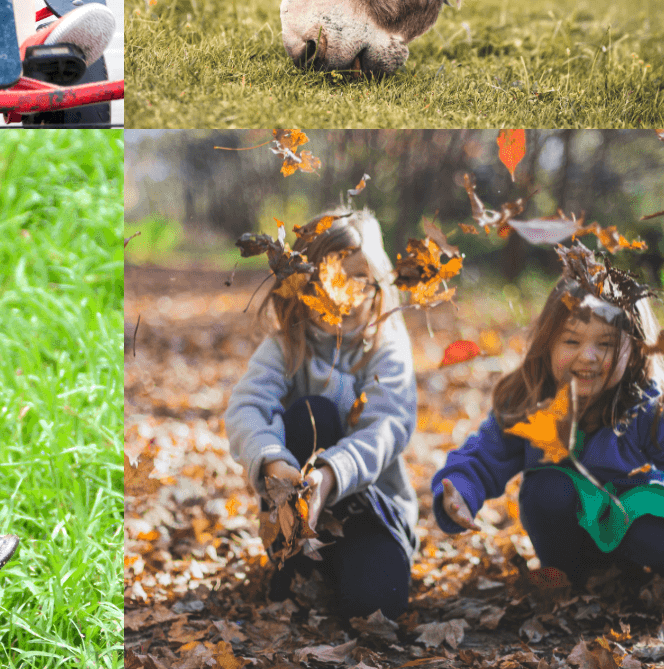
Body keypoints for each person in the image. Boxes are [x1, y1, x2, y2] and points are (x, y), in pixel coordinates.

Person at [433, 244, 664, 588]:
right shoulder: (531, 401)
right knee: (547, 487)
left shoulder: (648, 411)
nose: (587, 356)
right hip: (567, 542)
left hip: (633, 532)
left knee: (648, 522)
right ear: (548, 343)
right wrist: (459, 492)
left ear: (633, 351)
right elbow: (482, 457)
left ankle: (637, 581)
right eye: (571, 341)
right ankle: (568, 579)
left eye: (605, 345)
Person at [225, 209, 418, 619]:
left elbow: (387, 426)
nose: (342, 295)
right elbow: (246, 406)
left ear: (377, 284)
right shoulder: (286, 347)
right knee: (313, 412)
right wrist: (274, 463)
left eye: (357, 280)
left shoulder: (385, 347)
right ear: (300, 285)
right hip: (294, 509)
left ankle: (353, 567)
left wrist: (328, 477)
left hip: (371, 511)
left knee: (377, 606)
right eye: (327, 280)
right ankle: (294, 561)